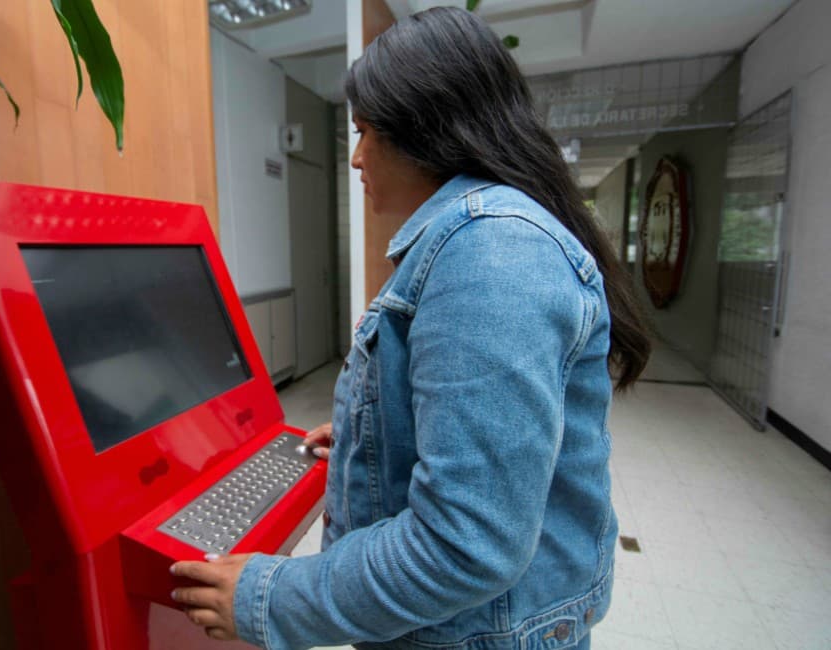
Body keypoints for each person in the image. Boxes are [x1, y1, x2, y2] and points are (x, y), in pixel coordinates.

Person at [172, 7, 651, 649]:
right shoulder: (486, 238)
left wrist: (273, 596)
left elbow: (465, 545)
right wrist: (375, 431)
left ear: (427, 130)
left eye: (367, 132)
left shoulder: (491, 254)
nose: (356, 157)